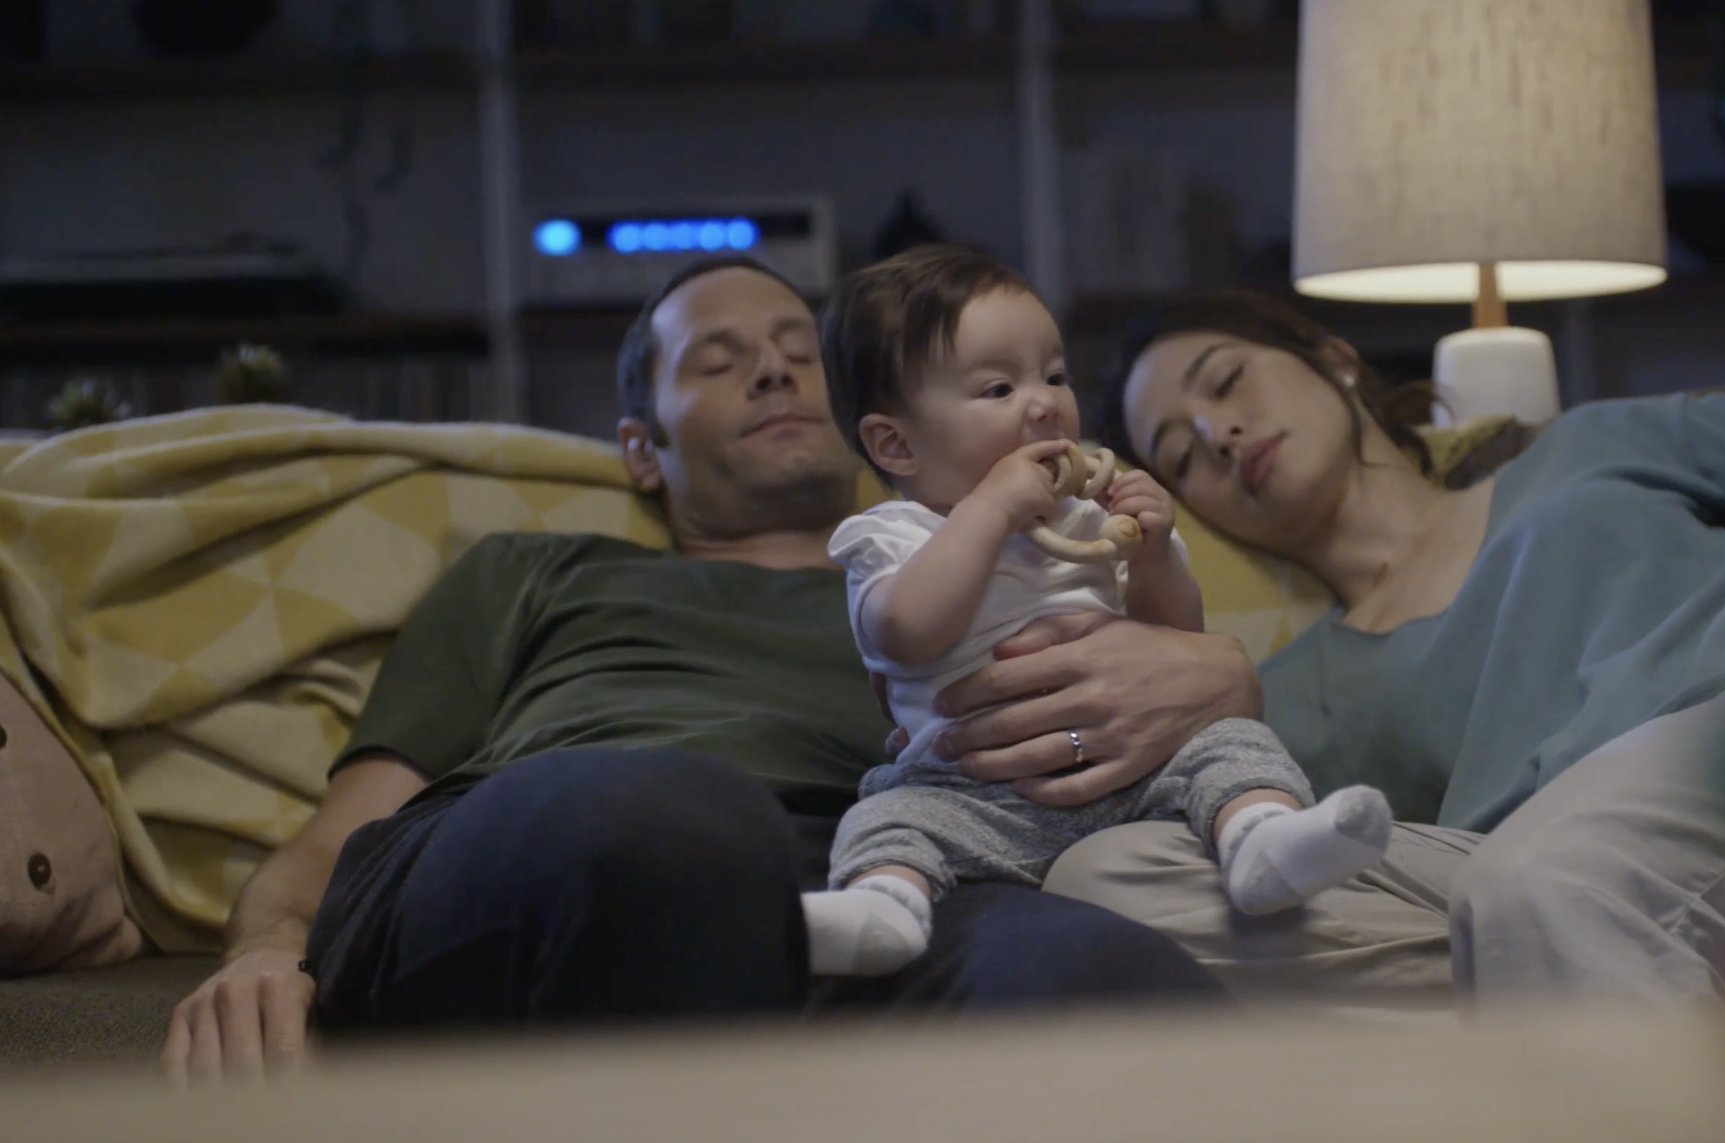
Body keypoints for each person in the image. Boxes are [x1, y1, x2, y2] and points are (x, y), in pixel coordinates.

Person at [160, 255, 1258, 1084]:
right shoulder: (537, 570)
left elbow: (1182, 694)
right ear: (641, 450)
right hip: (553, 849)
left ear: (880, 419)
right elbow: (346, 827)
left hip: (860, 881)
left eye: (799, 351)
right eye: (718, 362)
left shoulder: (1010, 569)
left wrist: (1223, 677)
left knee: (1112, 981)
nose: (776, 368)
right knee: (682, 824)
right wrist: (266, 950)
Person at [1043, 289, 1725, 1003]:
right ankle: (1599, 1000)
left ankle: (1574, 1033)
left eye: (1226, 382)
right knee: (1109, 880)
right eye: (1180, 452)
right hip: (1533, 866)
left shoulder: (1585, 448)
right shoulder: (1291, 686)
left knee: (1536, 886)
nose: (1220, 435)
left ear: (1332, 359)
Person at [801, 247, 1393, 976]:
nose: (1045, 403)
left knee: (1232, 742)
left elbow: (1178, 640)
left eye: (1054, 375)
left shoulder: (1088, 519)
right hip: (968, 792)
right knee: (885, 817)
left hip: (1140, 772)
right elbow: (905, 632)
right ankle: (884, 908)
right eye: (998, 388)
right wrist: (989, 511)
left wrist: (1152, 553)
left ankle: (1263, 841)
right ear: (896, 443)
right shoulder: (894, 537)